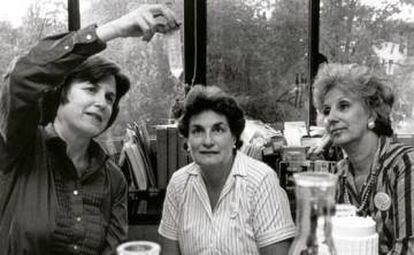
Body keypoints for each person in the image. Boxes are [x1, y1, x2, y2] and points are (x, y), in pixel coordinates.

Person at [0, 5, 179, 255]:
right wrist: (115, 29)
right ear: (60, 92)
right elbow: (21, 78)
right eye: (91, 89)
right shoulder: (20, 147)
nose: (102, 103)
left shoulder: (113, 179)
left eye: (110, 98)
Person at [158, 85, 296, 255]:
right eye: (198, 131)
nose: (208, 141)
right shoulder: (178, 184)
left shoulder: (262, 181)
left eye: (218, 130)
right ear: (187, 141)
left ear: (233, 137)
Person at [313, 63, 414, 254]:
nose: (331, 118)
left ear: (371, 112)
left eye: (343, 106)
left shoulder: (405, 165)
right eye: (326, 110)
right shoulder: (337, 176)